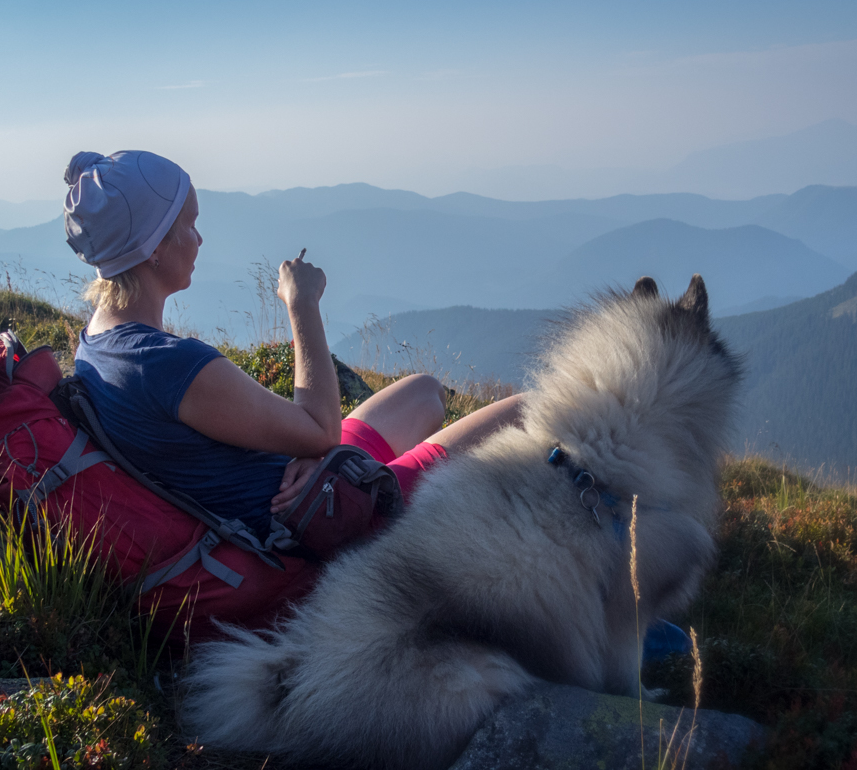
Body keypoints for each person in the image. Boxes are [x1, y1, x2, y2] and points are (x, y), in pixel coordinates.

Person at [62, 150, 520, 627]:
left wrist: (308, 447)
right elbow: (321, 429)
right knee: (527, 411)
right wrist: (302, 301)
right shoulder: (167, 365)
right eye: (190, 224)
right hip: (326, 523)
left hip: (307, 481)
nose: (199, 238)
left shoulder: (98, 342)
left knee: (425, 392)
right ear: (154, 247)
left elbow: (304, 438)